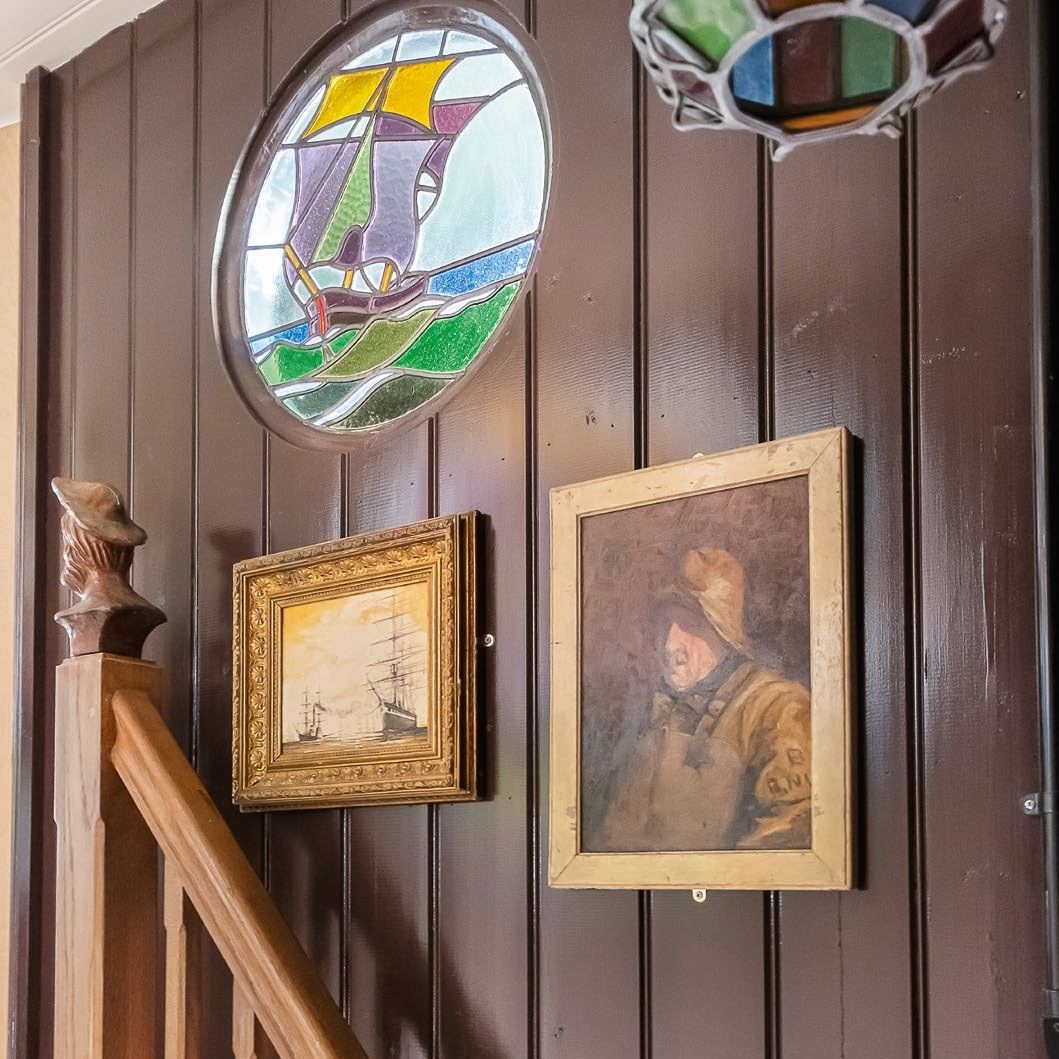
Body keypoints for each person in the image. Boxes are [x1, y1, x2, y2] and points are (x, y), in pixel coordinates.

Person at [597, 546, 811, 852]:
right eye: (664, 626)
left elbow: (792, 831)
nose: (671, 645)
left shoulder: (779, 708)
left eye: (691, 626)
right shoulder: (648, 711)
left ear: (727, 636)